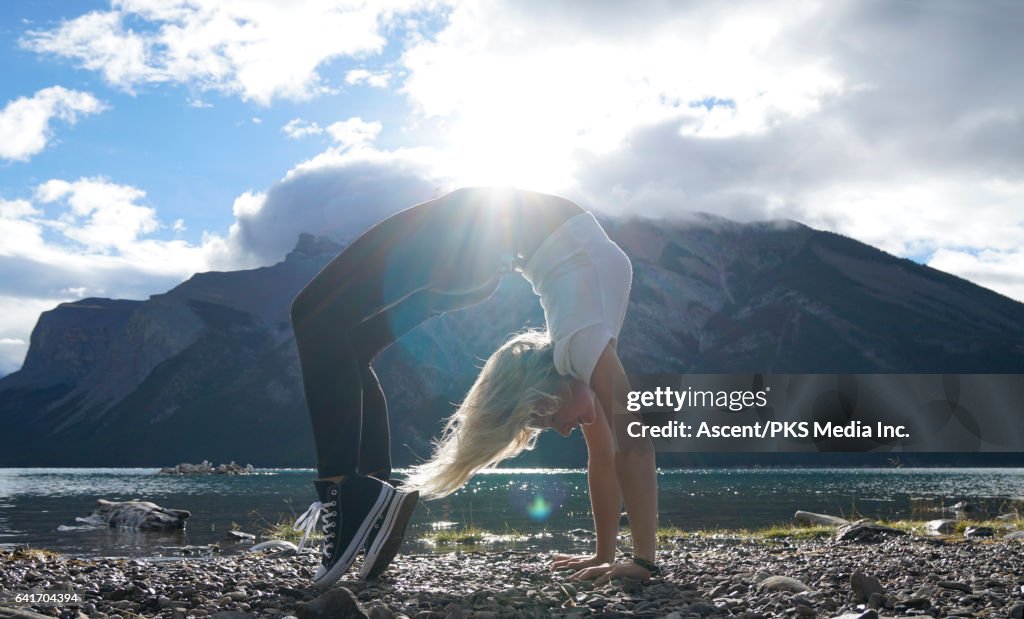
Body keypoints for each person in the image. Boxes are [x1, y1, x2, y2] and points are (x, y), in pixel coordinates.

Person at [289, 187, 658, 588]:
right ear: (548, 390)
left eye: (547, 422)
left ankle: (347, 491)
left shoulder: (581, 354)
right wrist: (627, 559)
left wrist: (631, 559)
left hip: (467, 243)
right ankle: (372, 495)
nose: (565, 430)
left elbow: (615, 455)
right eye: (549, 419)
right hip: (467, 241)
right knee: (344, 342)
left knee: (313, 316)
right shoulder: (582, 346)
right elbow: (624, 449)